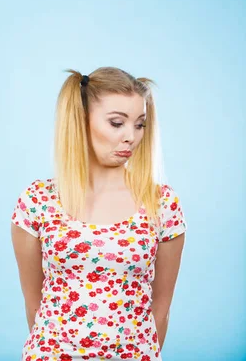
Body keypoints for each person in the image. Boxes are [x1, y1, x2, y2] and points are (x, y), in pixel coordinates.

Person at [11, 67, 186, 361]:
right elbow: (34, 305)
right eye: (117, 123)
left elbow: (162, 307)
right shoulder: (37, 201)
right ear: (81, 121)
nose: (131, 136)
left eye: (140, 124)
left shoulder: (162, 203)